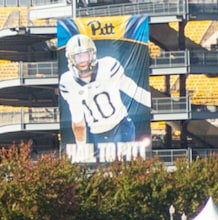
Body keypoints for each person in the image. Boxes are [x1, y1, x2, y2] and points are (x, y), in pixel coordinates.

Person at [56, 34, 153, 162]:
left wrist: (152, 105)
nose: (82, 61)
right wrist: (81, 149)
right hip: (97, 132)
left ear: (92, 54)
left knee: (123, 164)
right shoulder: (68, 81)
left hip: (121, 125)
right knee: (105, 168)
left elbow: (133, 90)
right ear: (71, 59)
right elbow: (78, 120)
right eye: (78, 57)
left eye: (85, 55)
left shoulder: (108, 66)